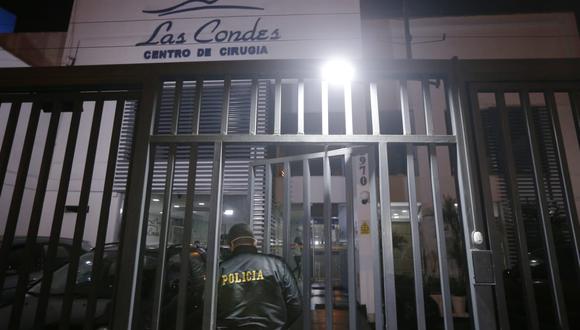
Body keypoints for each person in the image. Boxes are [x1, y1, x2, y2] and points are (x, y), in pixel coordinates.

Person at [217, 223, 302, 329]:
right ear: (255, 242)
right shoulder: (277, 264)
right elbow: (296, 304)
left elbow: (208, 305)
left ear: (231, 245)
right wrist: (279, 326)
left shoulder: (221, 269)